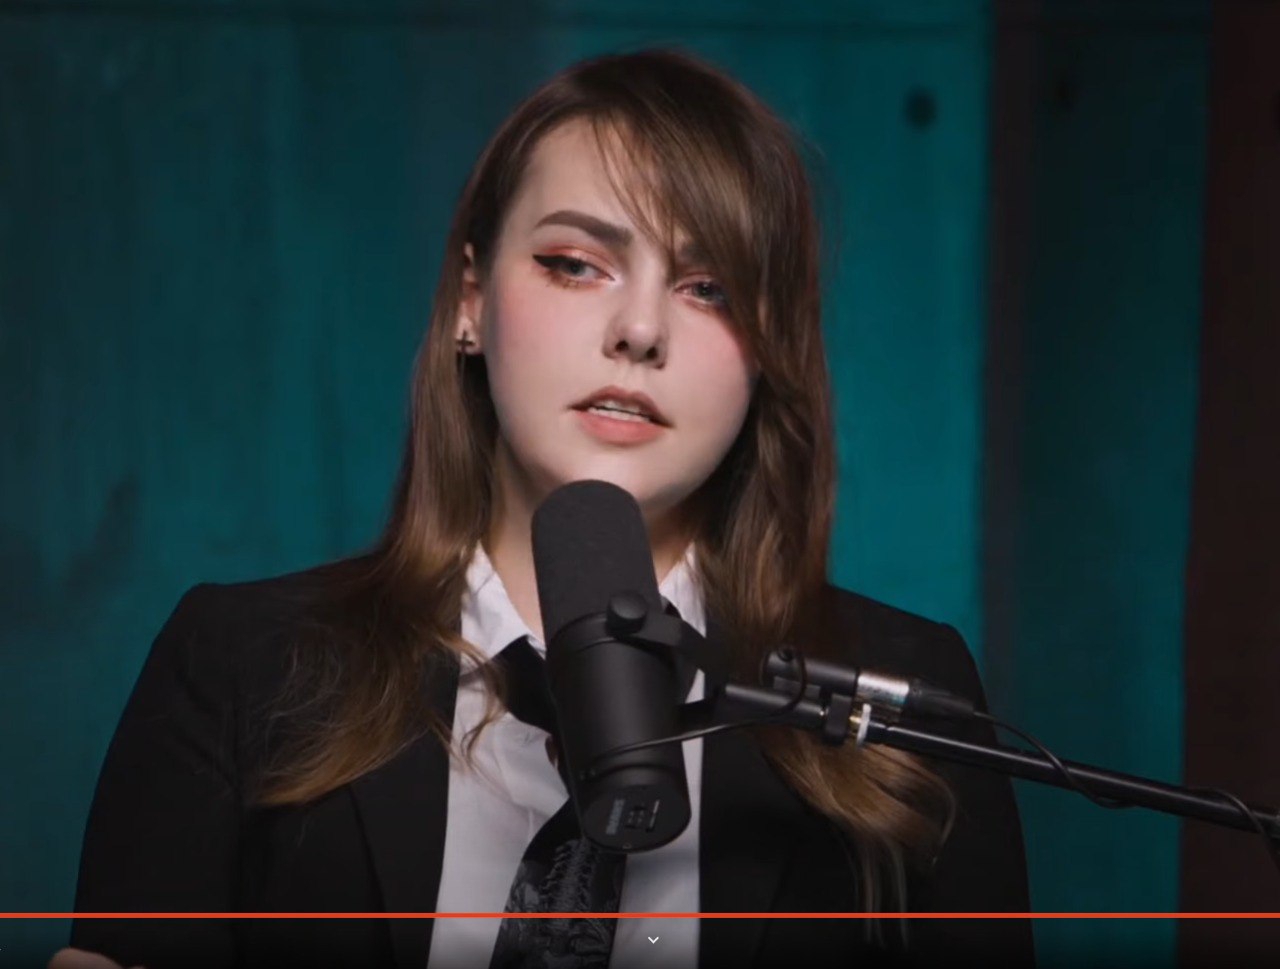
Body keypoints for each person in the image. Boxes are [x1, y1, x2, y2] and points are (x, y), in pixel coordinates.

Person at [52, 48, 1033, 969]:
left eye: (710, 288)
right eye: (575, 262)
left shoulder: (901, 701)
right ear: (469, 300)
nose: (639, 329)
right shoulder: (238, 666)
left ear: (769, 351)